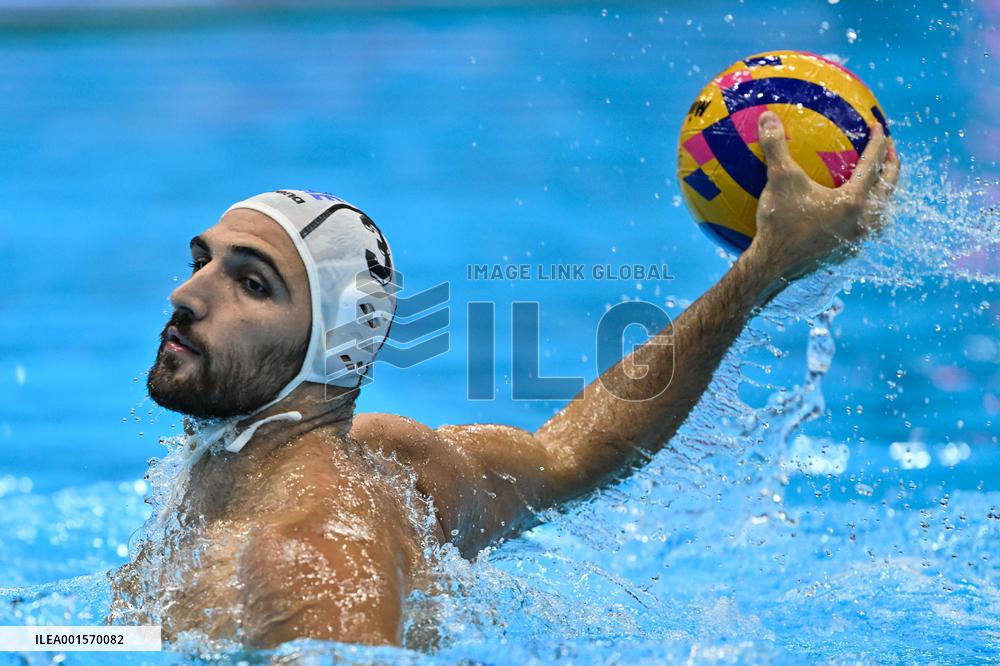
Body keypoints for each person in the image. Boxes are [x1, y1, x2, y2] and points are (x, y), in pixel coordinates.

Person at [109, 112, 899, 647]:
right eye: (201, 261)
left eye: (252, 284)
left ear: (331, 350)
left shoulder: (310, 561)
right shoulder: (398, 465)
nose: (188, 292)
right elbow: (571, 452)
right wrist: (760, 272)